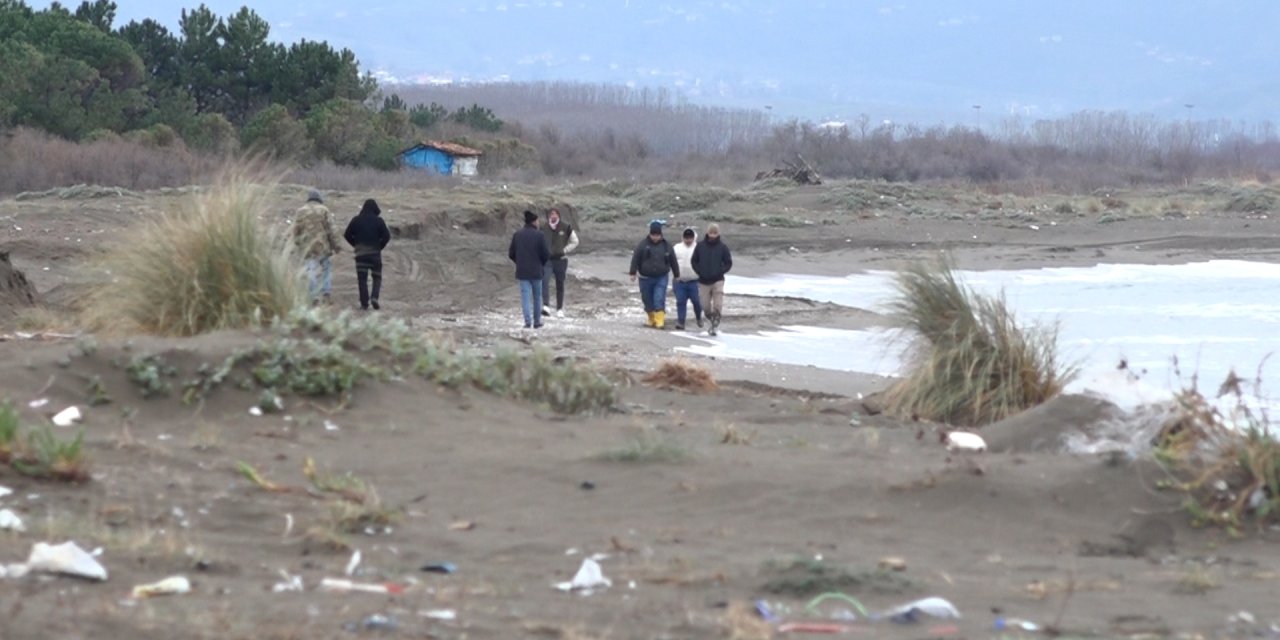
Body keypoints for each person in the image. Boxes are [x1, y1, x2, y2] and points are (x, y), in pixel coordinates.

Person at [292, 189, 341, 306]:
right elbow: (332, 229)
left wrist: (298, 244)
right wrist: (336, 245)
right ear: (319, 198)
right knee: (326, 268)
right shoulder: (324, 210)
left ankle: (314, 297)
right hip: (322, 246)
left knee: (311, 271)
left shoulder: (300, 211)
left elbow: (295, 231)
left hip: (307, 247)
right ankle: (326, 293)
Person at [629, 220, 680, 329]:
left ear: (661, 234)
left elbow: (673, 260)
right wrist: (633, 272)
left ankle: (660, 320)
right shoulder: (642, 245)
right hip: (645, 277)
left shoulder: (667, 246)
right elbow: (635, 259)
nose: (655, 237)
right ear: (650, 234)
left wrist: (676, 274)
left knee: (659, 297)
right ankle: (651, 318)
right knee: (647, 299)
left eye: (657, 235)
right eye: (653, 235)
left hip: (661, 277)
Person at [343, 198, 391, 311]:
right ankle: (374, 297)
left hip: (361, 255)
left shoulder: (356, 220)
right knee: (377, 277)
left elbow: (346, 235)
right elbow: (387, 236)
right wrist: (379, 247)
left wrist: (355, 245)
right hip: (375, 254)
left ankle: (364, 304)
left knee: (362, 279)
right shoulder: (379, 221)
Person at [509, 210, 550, 329]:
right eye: (537, 220)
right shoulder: (539, 235)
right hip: (536, 271)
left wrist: (519, 262)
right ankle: (537, 321)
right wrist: (540, 263)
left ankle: (527, 321)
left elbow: (511, 253)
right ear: (534, 221)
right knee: (537, 297)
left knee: (525, 297)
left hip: (522, 271)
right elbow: (546, 254)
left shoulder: (517, 235)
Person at [691, 223, 732, 336]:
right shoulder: (700, 246)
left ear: (718, 234)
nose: (713, 235)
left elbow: (728, 262)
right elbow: (694, 261)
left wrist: (721, 270)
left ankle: (715, 324)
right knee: (705, 306)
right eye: (711, 233)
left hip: (718, 280)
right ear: (707, 233)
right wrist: (699, 271)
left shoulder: (723, 247)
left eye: (715, 233)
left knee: (718, 303)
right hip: (703, 280)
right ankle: (711, 319)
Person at [540, 208, 579, 319]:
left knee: (560, 284)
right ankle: (546, 306)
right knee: (544, 280)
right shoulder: (543, 227)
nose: (553, 216)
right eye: (551, 214)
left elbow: (575, 241)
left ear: (558, 215)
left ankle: (559, 309)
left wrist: (564, 250)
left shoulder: (565, 227)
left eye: (555, 214)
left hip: (561, 260)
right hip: (547, 260)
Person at [670, 227, 704, 331]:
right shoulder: (676, 248)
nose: (688, 240)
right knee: (680, 301)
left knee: (696, 301)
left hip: (694, 281)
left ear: (694, 238)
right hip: (679, 281)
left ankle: (698, 317)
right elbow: (670, 260)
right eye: (686, 237)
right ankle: (681, 322)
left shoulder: (699, 248)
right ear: (683, 237)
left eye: (690, 237)